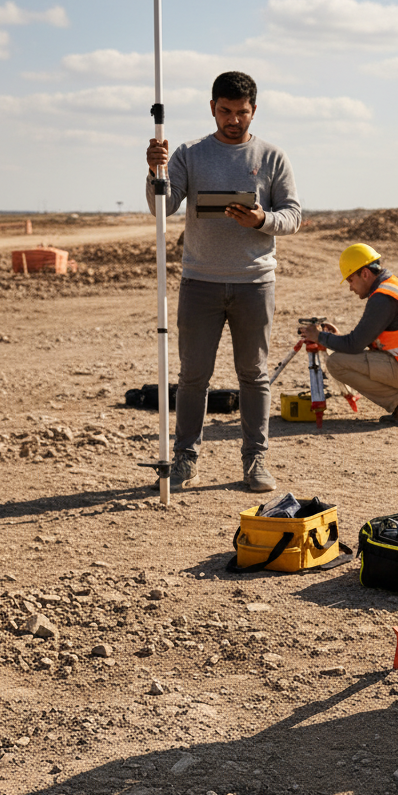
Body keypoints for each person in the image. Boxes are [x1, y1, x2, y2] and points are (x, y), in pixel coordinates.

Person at [145, 71, 301, 493]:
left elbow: (293, 215)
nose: (234, 120)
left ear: (254, 111)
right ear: (212, 107)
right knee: (194, 376)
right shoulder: (189, 154)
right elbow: (163, 207)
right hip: (200, 282)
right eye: (226, 111)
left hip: (255, 284)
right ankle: (185, 460)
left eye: (242, 113)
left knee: (254, 375)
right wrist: (154, 171)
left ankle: (255, 462)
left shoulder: (272, 157)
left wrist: (261, 220)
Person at [298, 243, 398, 425]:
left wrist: (319, 337)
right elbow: (376, 339)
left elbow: (354, 346)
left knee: (336, 363)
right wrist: (338, 337)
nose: (350, 288)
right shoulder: (393, 287)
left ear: (365, 274)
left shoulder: (382, 299)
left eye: (350, 280)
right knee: (351, 355)